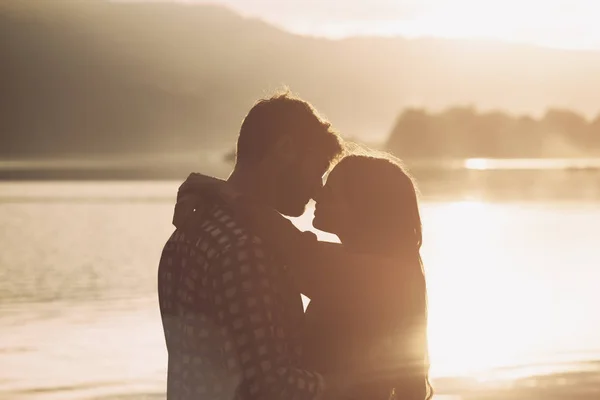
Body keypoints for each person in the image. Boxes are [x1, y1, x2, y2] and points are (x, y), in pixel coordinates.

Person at [176, 154, 433, 400]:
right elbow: (298, 246)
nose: (316, 194)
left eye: (329, 192)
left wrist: (221, 192)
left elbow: (289, 242)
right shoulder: (385, 267)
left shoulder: (375, 275)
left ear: (362, 208)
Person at [157, 91, 344, 400]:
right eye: (318, 169)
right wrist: (349, 385)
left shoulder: (181, 238)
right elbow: (269, 387)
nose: (317, 190)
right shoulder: (246, 249)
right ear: (286, 149)